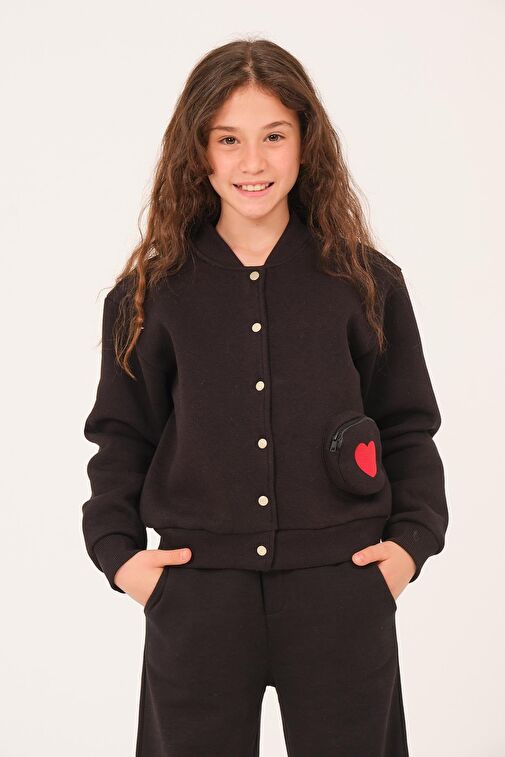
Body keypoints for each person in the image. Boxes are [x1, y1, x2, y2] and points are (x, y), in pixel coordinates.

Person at [82, 37, 449, 757]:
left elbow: (408, 426)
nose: (252, 162)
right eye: (229, 139)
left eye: (273, 136)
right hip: (197, 591)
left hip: (342, 587)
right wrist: (120, 557)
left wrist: (409, 547)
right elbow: (121, 437)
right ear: (199, 152)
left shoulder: (365, 283)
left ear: (305, 144)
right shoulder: (149, 296)